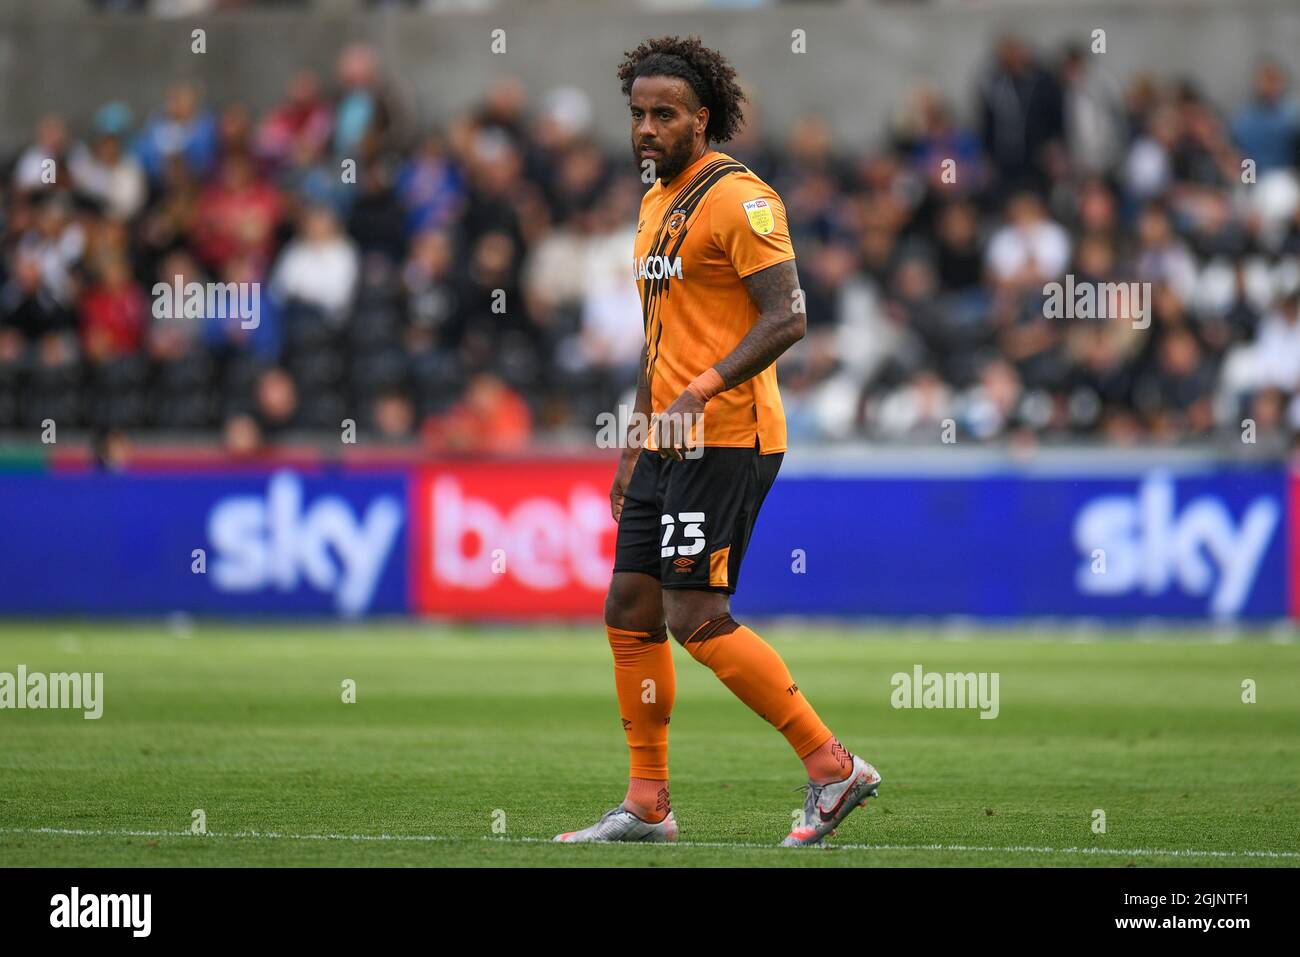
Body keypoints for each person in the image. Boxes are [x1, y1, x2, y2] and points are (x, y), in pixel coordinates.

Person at [553, 36, 881, 848]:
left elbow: (789, 315)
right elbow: (658, 339)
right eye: (637, 114)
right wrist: (635, 440)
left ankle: (831, 764)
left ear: (703, 118)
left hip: (728, 437)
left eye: (664, 115)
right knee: (629, 608)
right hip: (665, 439)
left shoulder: (742, 199)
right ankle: (647, 804)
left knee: (694, 614)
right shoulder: (653, 201)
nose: (646, 130)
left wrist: (702, 390)